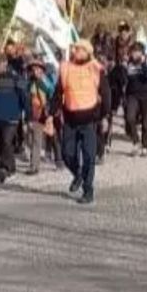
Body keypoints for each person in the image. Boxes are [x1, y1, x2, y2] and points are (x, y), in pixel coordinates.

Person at [52, 39, 111, 205]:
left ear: (87, 52)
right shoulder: (65, 68)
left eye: (79, 49)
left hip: (89, 120)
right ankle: (77, 174)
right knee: (67, 154)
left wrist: (104, 116)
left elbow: (105, 93)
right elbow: (58, 93)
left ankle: (88, 189)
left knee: (88, 156)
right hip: (70, 118)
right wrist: (51, 113)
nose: (75, 51)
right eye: (75, 48)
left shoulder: (95, 68)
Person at [0, 55, 28, 184]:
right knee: (1, 144)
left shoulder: (15, 78)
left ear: (5, 64)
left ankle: (4, 168)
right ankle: (11, 167)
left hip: (11, 118)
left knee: (6, 141)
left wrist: (27, 114)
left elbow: (24, 96)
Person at [122, 41, 147, 157]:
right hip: (133, 95)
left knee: (145, 122)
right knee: (130, 117)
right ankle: (136, 142)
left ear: (142, 53)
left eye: (137, 52)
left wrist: (142, 63)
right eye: (133, 52)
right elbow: (126, 80)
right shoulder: (129, 63)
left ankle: (145, 145)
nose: (135, 54)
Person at [26, 57, 57, 174]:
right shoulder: (29, 82)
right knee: (30, 139)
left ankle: (34, 166)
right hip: (31, 113)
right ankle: (35, 163)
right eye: (33, 69)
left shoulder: (46, 83)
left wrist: (49, 110)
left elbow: (52, 94)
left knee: (36, 140)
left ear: (42, 70)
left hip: (40, 113)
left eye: (38, 69)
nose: (35, 71)